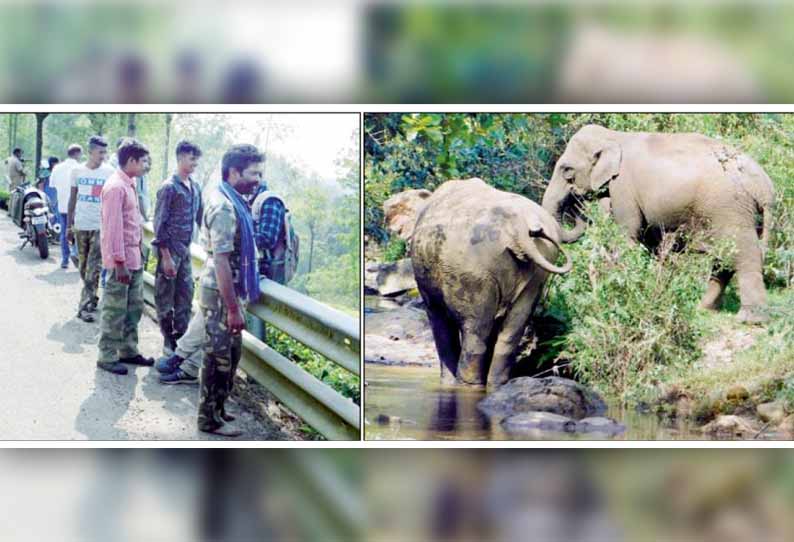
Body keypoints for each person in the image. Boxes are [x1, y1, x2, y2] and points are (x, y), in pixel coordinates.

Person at [196, 144, 264, 437]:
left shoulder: (235, 200)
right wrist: (234, 308)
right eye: (253, 173)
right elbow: (221, 260)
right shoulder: (224, 207)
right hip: (223, 295)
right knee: (217, 358)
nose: (258, 179)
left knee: (231, 355)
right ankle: (208, 419)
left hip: (230, 292)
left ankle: (219, 407)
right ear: (233, 172)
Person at [96, 139, 155, 375]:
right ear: (131, 160)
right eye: (142, 161)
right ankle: (107, 355)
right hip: (121, 262)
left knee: (133, 308)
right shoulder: (115, 187)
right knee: (115, 309)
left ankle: (128, 350)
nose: (144, 165)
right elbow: (113, 229)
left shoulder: (129, 183)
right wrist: (119, 263)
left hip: (134, 258)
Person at [152, 140, 203, 367]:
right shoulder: (169, 187)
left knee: (186, 296)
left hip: (186, 251)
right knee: (165, 297)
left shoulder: (195, 187)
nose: (195, 164)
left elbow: (200, 219)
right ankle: (168, 341)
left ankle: (181, 343)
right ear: (181, 157)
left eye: (196, 160)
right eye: (192, 159)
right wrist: (165, 255)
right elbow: (159, 223)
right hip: (169, 250)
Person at [67, 136, 114, 323]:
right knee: (83, 266)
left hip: (99, 226)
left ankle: (84, 307)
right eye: (100, 152)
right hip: (80, 224)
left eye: (105, 152)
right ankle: (92, 297)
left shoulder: (110, 172)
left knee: (93, 268)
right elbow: (72, 199)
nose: (103, 156)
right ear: (90, 151)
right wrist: (69, 226)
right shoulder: (76, 171)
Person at [51, 145, 82, 268]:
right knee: (77, 231)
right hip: (77, 206)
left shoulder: (57, 168)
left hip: (63, 205)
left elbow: (52, 185)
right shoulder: (80, 168)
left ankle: (65, 259)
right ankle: (75, 253)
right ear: (77, 154)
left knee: (64, 231)